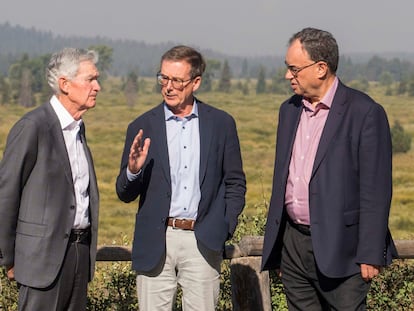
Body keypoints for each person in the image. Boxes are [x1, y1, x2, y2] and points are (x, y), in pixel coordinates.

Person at [261, 27, 398, 310]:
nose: (288, 76)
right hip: (294, 246)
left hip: (344, 249)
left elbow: (376, 189)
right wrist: (282, 250)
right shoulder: (288, 110)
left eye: (294, 69)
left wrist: (370, 253)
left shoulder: (365, 112)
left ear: (321, 68)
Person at [116, 45, 246, 310]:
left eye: (177, 80)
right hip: (156, 241)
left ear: (196, 82)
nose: (168, 86)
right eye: (163, 78)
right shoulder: (141, 126)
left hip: (204, 240)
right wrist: (133, 170)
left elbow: (235, 182)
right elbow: (124, 193)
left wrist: (224, 226)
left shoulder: (221, 124)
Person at [0, 47, 100, 310]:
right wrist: (8, 258)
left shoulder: (79, 128)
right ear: (65, 84)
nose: (97, 87)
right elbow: (7, 193)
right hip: (40, 260)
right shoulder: (33, 126)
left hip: (78, 254)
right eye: (90, 79)